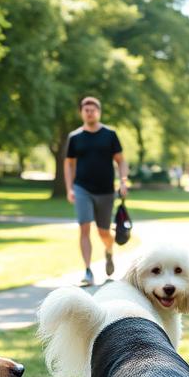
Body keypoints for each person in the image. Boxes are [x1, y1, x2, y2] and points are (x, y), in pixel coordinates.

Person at [65, 96, 129, 286]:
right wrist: (69, 188)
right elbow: (68, 164)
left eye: (93, 109)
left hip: (106, 191)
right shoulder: (74, 137)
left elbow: (121, 161)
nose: (89, 112)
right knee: (84, 227)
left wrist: (123, 181)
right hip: (82, 188)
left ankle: (109, 251)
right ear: (81, 112)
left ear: (98, 112)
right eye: (86, 109)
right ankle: (87, 271)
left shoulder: (109, 135)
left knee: (103, 232)